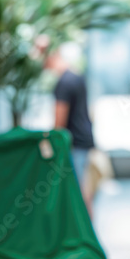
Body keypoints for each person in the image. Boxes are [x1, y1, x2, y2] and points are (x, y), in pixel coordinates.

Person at [44, 41, 97, 219]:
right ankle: (88, 232)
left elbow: (59, 123)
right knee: (83, 188)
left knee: (78, 191)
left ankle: (87, 235)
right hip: (84, 140)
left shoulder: (63, 83)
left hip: (74, 143)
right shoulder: (76, 76)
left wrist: (50, 143)